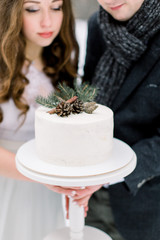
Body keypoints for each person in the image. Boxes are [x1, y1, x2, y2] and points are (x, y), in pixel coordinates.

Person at [62, 0, 160, 240]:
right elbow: (91, 94)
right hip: (90, 193)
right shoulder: (99, 24)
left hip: (145, 201)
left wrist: (110, 174)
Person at [0, 0, 79, 239]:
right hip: (7, 181)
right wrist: (42, 176)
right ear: (11, 12)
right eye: (33, 9)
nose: (48, 21)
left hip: (47, 187)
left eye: (56, 7)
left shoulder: (61, 58)